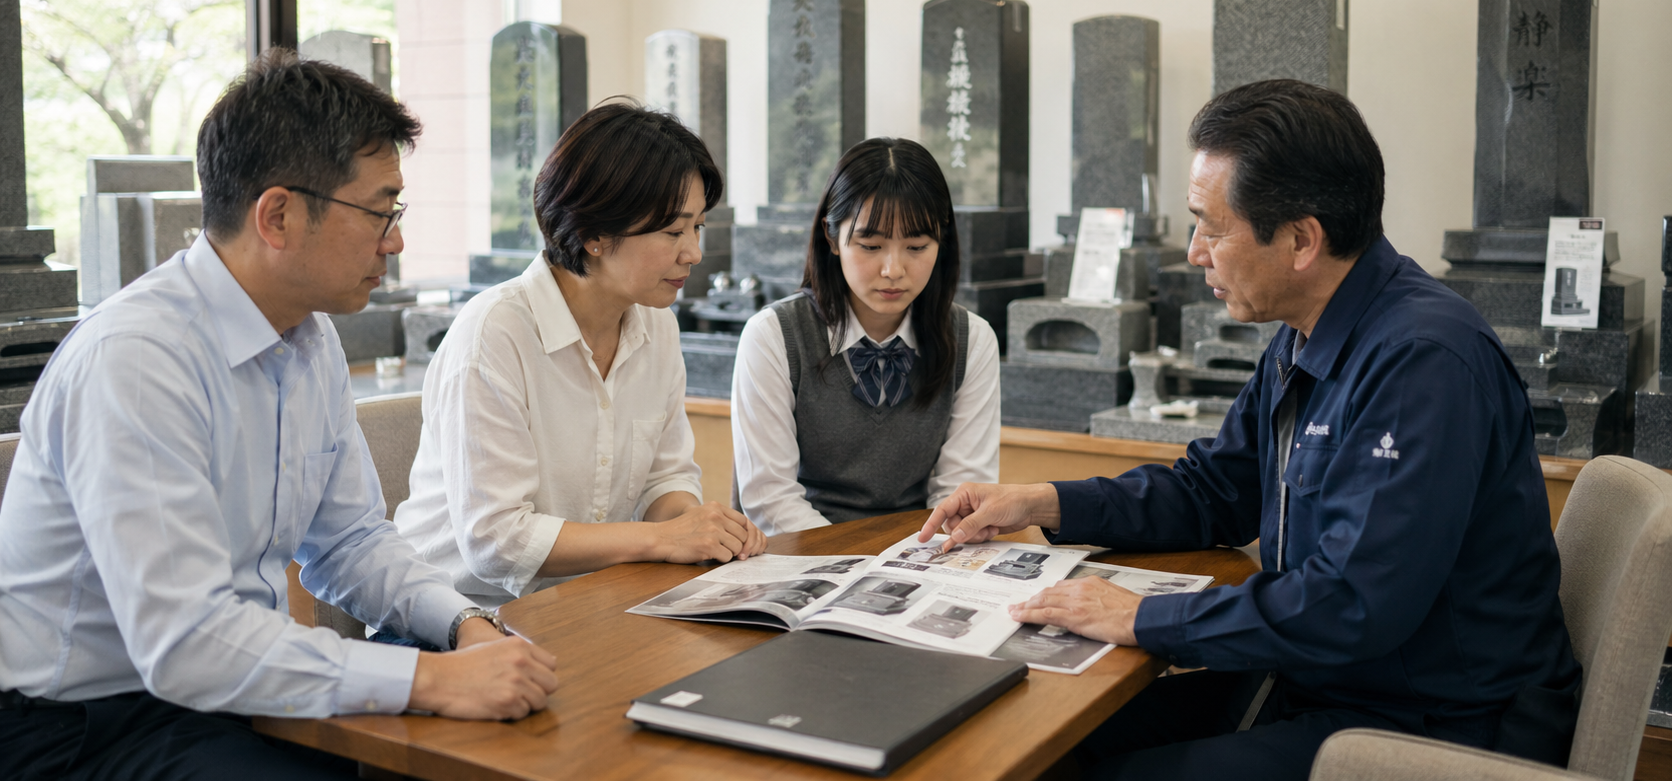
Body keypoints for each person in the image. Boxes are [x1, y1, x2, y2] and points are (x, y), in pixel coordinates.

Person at [920, 80, 1580, 781]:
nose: (1196, 251)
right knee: (1047, 745)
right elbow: (1214, 490)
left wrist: (1144, 616)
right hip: (1327, 683)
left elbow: (1353, 602)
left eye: (1211, 225)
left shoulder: (1424, 362)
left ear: (1301, 238)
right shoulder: (1306, 329)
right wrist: (1042, 500)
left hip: (1433, 726)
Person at [0, 50, 559, 781]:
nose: (394, 241)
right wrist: (432, 681)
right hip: (85, 724)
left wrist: (465, 628)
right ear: (279, 214)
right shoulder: (139, 358)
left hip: (227, 687)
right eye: (380, 211)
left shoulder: (307, 334)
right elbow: (185, 644)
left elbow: (352, 542)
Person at [393, 102, 765, 608]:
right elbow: (496, 543)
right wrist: (663, 540)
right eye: (674, 231)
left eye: (698, 227)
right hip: (457, 618)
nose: (693, 253)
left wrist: (696, 529)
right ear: (593, 234)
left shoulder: (657, 324)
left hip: (586, 603)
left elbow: (666, 476)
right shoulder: (494, 335)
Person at [732, 138, 1000, 535]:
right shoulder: (773, 336)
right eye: (870, 245)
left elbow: (958, 496)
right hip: (803, 558)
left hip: (922, 558)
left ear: (941, 242)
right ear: (832, 237)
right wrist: (855, 567)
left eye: (916, 246)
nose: (893, 269)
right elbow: (771, 499)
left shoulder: (971, 340)